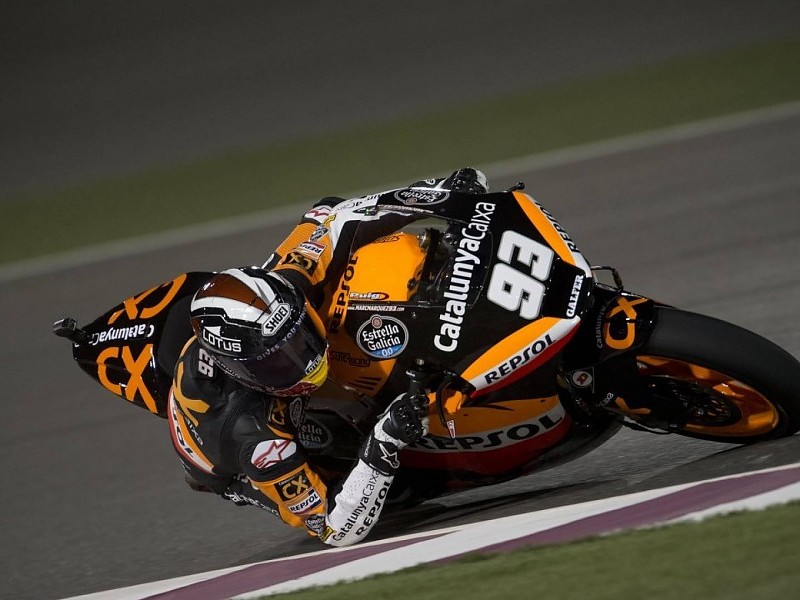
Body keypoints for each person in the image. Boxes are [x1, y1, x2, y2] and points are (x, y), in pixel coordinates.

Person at [168, 168, 489, 546]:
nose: (305, 363)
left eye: (299, 337)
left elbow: (333, 215)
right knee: (391, 478)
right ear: (240, 371)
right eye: (278, 361)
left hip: (241, 377)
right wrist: (384, 441)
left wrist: (437, 194)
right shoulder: (256, 440)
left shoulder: (284, 284)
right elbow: (334, 529)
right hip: (229, 461)